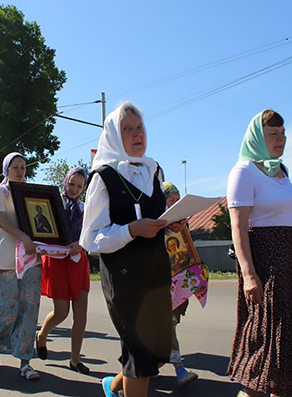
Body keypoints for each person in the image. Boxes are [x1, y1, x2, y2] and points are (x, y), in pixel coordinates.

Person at [80, 102, 183, 397]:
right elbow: (90, 239)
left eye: (140, 128)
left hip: (155, 271)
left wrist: (170, 224)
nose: (137, 134)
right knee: (141, 355)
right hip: (125, 277)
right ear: (113, 135)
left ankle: (112, 386)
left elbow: (156, 215)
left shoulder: (154, 171)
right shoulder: (103, 178)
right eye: (128, 129)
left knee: (153, 352)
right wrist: (130, 230)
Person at [226, 109, 292, 397]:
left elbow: (290, 222)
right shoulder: (243, 172)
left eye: (283, 132)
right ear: (257, 137)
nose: (282, 138)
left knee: (287, 352)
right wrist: (249, 274)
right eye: (273, 134)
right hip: (266, 265)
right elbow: (238, 229)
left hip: (290, 264)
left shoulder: (282, 171)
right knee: (266, 352)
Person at [0, 152, 43, 381]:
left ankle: (25, 362)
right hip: (4, 259)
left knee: (29, 310)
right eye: (15, 167)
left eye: (23, 167)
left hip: (30, 261)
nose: (19, 171)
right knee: (7, 311)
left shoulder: (32, 195)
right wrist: (24, 238)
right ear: (6, 170)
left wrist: (46, 241)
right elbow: (1, 220)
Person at [36, 166, 91, 374]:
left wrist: (81, 243)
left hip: (78, 261)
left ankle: (75, 360)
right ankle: (41, 336)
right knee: (62, 312)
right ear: (65, 181)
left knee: (81, 312)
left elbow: (91, 233)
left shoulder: (86, 208)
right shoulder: (53, 204)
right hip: (57, 260)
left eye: (79, 186)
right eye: (71, 184)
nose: (75, 189)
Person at [162, 181, 198, 388]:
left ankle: (132, 364)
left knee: (172, 321)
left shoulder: (182, 223)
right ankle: (179, 368)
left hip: (180, 278)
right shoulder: (157, 224)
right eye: (170, 201)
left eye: (177, 201)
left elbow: (186, 248)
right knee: (167, 323)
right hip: (159, 281)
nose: (174, 205)